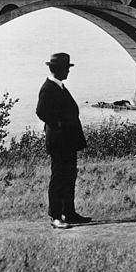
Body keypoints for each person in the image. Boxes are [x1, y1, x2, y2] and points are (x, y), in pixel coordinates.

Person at [36, 52, 90, 229]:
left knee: (69, 176)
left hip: (67, 141)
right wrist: (58, 124)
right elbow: (41, 111)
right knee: (59, 178)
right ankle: (56, 216)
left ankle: (70, 213)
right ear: (57, 69)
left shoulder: (59, 86)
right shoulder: (48, 88)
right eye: (66, 68)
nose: (68, 72)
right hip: (59, 142)